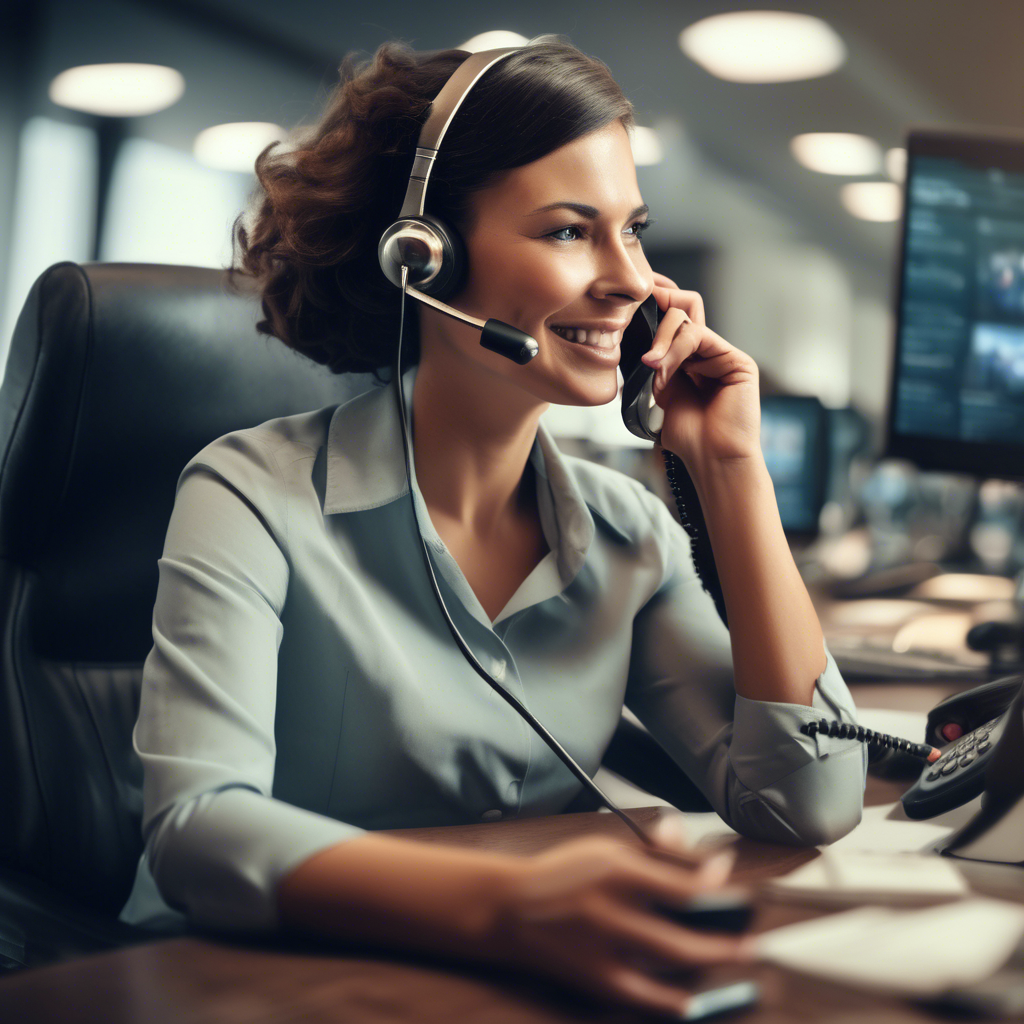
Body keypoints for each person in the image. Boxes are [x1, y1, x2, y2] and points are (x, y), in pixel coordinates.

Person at [120, 38, 867, 1017]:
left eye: (631, 230)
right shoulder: (253, 491)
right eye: (569, 232)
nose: (629, 280)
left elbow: (804, 800)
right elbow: (195, 829)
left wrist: (728, 470)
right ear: (422, 253)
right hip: (243, 987)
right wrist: (506, 905)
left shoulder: (628, 536)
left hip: (498, 988)